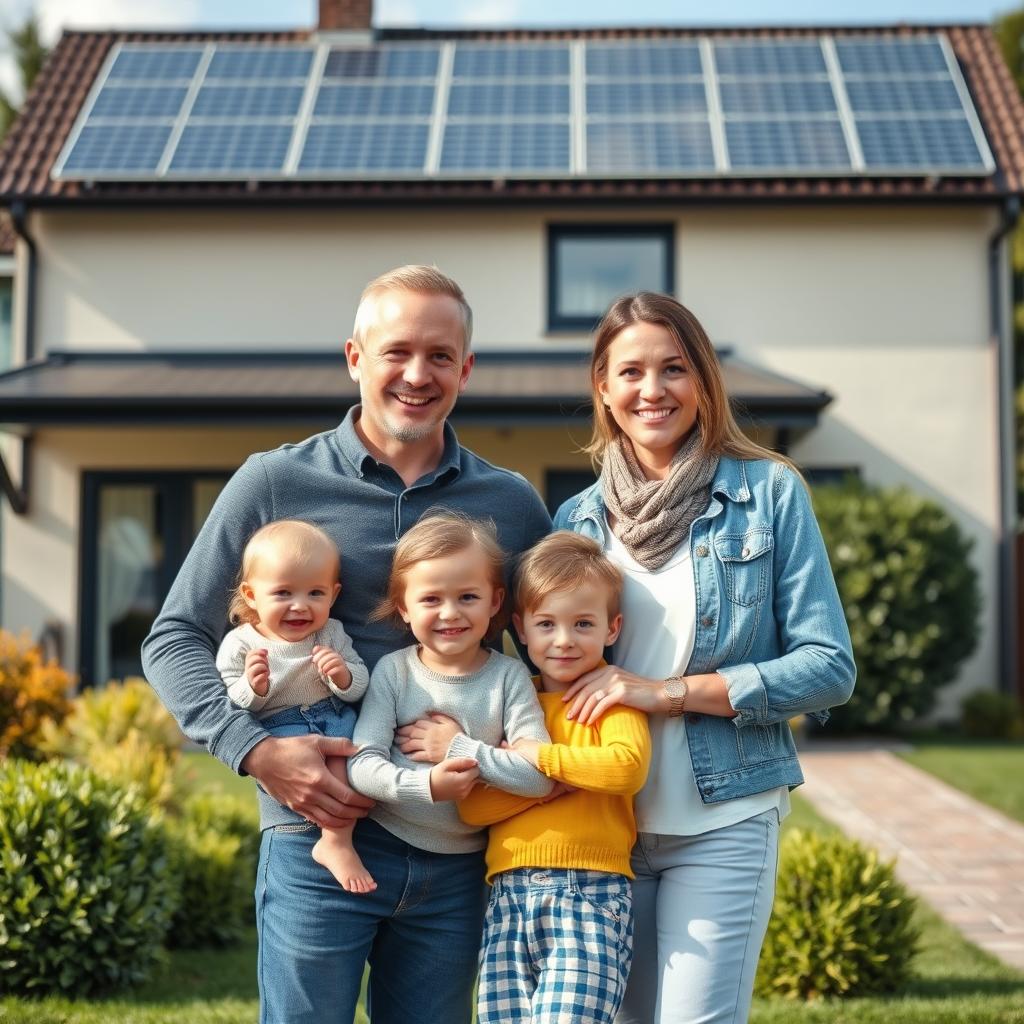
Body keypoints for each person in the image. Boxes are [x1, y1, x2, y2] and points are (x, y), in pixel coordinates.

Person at [141, 265, 552, 1024]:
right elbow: (174, 637)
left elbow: (551, 649)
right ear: (355, 358)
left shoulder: (510, 503)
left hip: (453, 843)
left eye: (439, 356)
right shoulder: (272, 482)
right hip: (314, 831)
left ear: (466, 368)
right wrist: (254, 750)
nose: (417, 375)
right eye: (397, 352)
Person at [551, 292, 856, 1024]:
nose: (652, 389)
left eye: (674, 368)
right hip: (606, 826)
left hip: (725, 818)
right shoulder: (576, 521)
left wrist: (668, 692)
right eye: (630, 372)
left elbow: (828, 666)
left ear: (703, 381)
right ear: (603, 388)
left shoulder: (769, 493)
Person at [343, 511, 554, 1020]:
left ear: (496, 602)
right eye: (431, 599)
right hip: (378, 848)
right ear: (404, 607)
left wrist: (460, 748)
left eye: (467, 597)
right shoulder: (394, 672)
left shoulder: (508, 679)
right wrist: (429, 786)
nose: (450, 613)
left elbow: (538, 776)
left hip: (460, 874)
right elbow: (363, 764)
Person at [445, 530, 652, 1024]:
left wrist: (538, 759)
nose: (564, 640)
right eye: (546, 624)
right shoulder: (511, 703)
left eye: (583, 623)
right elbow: (473, 807)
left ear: (612, 628)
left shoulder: (611, 701)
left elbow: (626, 768)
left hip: (591, 895)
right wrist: (549, 789)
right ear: (521, 628)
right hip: (508, 898)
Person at [216, 519, 373, 893]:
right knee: (327, 775)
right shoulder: (241, 643)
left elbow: (358, 683)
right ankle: (336, 843)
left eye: (315, 593)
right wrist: (253, 687)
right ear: (251, 595)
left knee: (361, 764)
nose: (299, 606)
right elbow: (231, 698)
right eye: (283, 593)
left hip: (335, 715)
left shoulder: (330, 633)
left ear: (333, 594)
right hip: (281, 727)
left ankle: (339, 838)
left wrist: (342, 675)